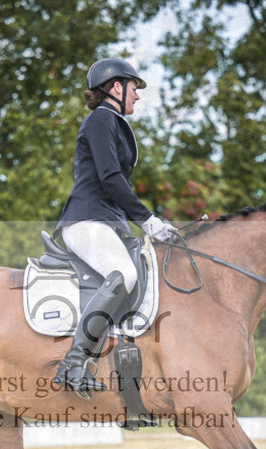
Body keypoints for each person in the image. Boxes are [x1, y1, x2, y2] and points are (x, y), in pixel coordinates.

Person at [52, 57, 176, 398]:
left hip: (106, 221)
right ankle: (73, 364)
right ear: (117, 87)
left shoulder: (113, 122)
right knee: (124, 274)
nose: (137, 95)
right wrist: (147, 219)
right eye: (134, 87)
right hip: (87, 219)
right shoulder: (102, 119)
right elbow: (110, 178)